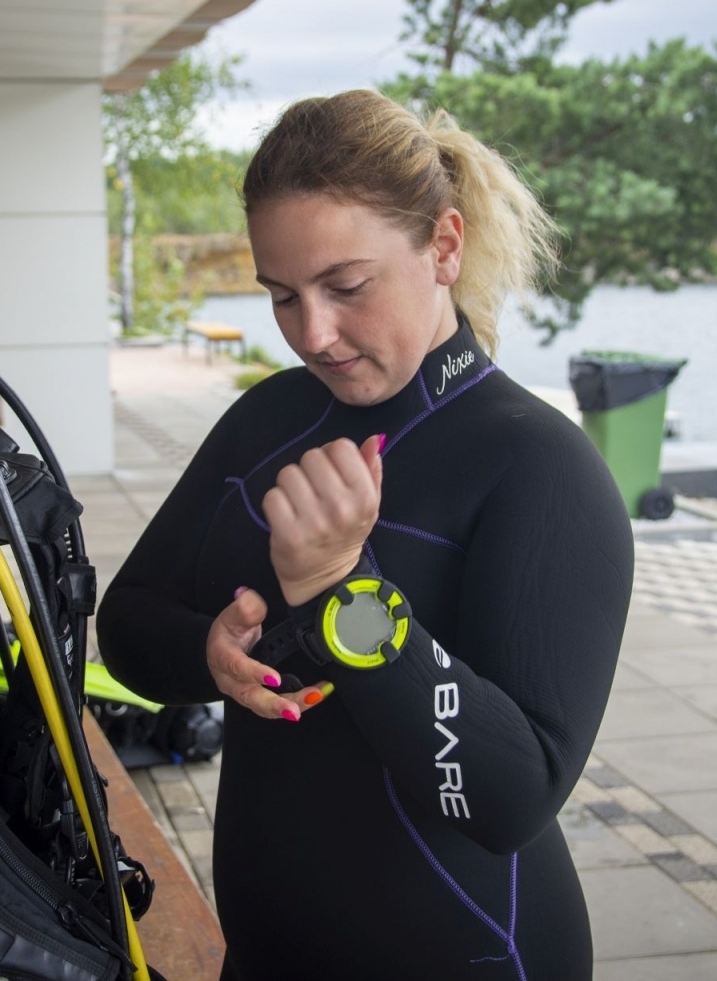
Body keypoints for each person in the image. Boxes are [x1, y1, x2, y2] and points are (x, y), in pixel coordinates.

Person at [96, 90, 634, 980]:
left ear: (445, 247)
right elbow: (126, 628)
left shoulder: (538, 467)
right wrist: (211, 656)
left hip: (469, 953)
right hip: (267, 953)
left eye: (347, 288)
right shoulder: (268, 421)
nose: (313, 334)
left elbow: (509, 799)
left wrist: (338, 590)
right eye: (282, 296)